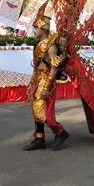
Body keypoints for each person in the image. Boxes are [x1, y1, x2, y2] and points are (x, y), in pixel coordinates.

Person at [23, 14, 69, 151]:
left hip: (46, 81)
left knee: (45, 113)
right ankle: (39, 138)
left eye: (36, 27)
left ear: (44, 28)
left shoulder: (51, 47)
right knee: (36, 110)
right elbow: (36, 67)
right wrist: (32, 84)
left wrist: (47, 88)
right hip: (38, 80)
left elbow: (54, 68)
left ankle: (61, 132)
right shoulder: (38, 45)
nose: (34, 30)